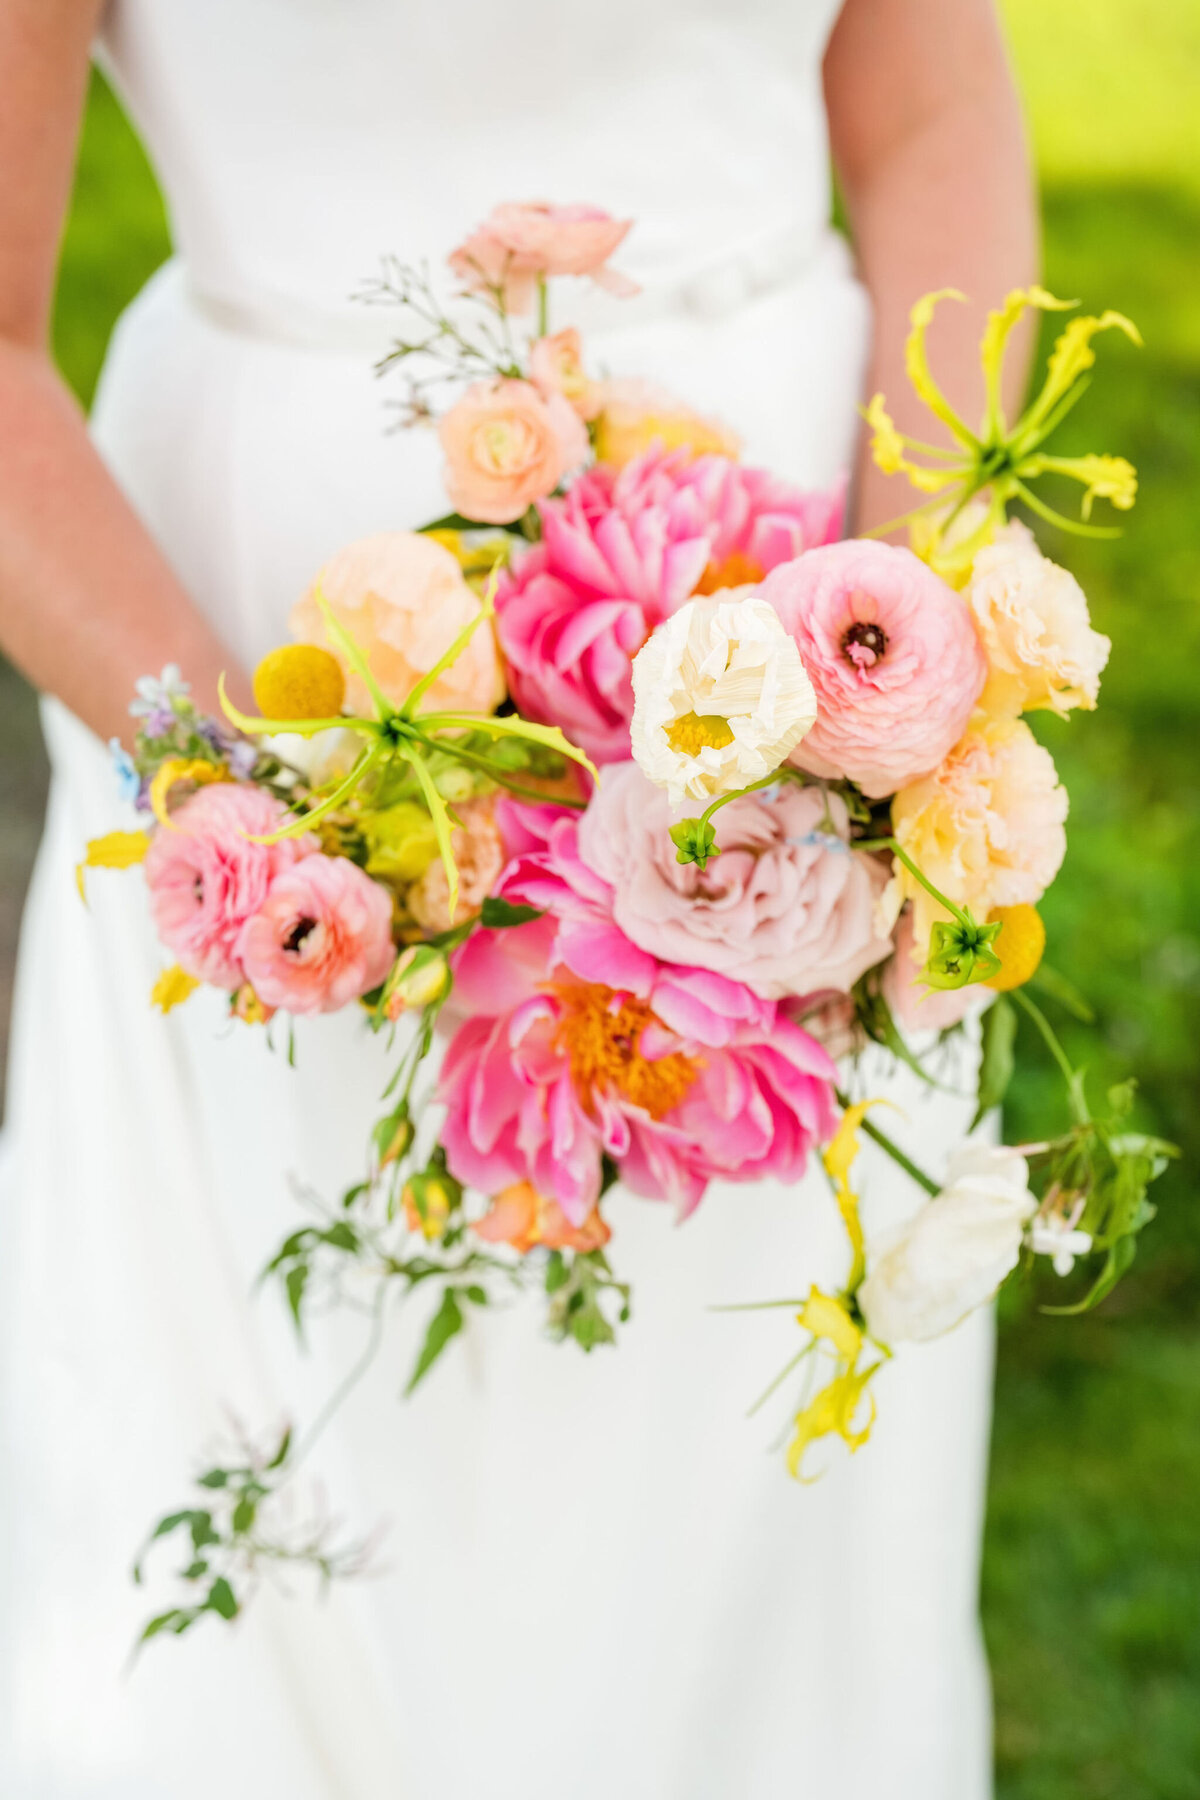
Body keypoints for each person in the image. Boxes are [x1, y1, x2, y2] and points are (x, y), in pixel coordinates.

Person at [0, 2, 1036, 1795]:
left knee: (748, 1379)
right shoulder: (254, 767)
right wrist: (247, 809)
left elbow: (936, 121)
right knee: (311, 1378)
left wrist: (902, 663)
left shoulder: (870, 668)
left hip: (807, 589)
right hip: (267, 641)